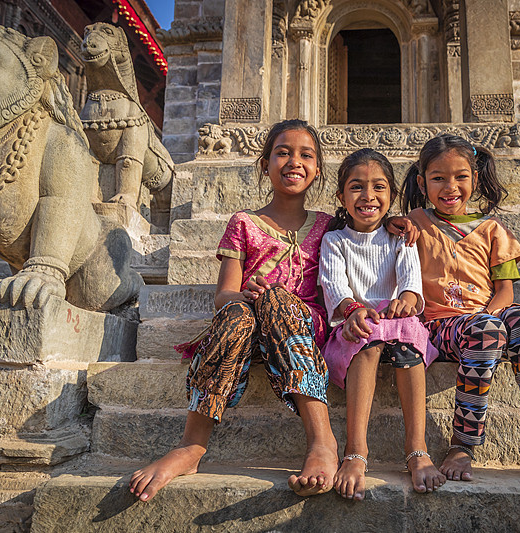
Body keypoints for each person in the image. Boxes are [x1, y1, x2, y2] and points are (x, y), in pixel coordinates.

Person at [129, 119, 340, 501]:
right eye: (282, 152)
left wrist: (400, 224)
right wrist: (244, 295)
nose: (294, 161)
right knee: (240, 313)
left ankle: (322, 441)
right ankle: (192, 446)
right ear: (264, 165)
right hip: (245, 329)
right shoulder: (244, 223)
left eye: (306, 155)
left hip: (302, 331)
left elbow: (370, 231)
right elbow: (223, 295)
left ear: (318, 169)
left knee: (276, 301)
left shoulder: (328, 225)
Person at [400, 134, 520, 489]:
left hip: (486, 317)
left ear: (475, 178)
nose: (450, 187)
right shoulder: (416, 223)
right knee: (486, 329)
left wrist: (487, 316)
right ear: (422, 183)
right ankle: (462, 443)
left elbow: (505, 291)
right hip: (440, 325)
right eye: (438, 178)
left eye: (460, 177)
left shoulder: (492, 230)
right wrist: (397, 224)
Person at [319, 148, 445, 501]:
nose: (368, 196)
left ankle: (416, 448)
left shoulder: (401, 237)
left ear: (391, 195)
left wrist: (406, 298)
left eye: (378, 187)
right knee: (368, 338)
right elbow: (334, 284)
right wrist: (351, 310)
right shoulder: (335, 240)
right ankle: (355, 450)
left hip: (398, 320)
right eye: (356, 187)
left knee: (409, 344)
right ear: (341, 196)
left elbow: (410, 279)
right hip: (356, 321)